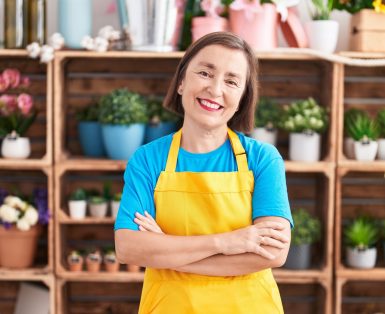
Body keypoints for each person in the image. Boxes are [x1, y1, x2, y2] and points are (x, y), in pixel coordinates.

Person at [115, 32, 293, 313]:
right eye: (205, 73)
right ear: (182, 82)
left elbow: (274, 252)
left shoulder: (262, 159)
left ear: (242, 96)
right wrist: (227, 242)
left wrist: (166, 250)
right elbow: (128, 248)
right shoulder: (148, 160)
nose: (215, 89)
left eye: (231, 81)